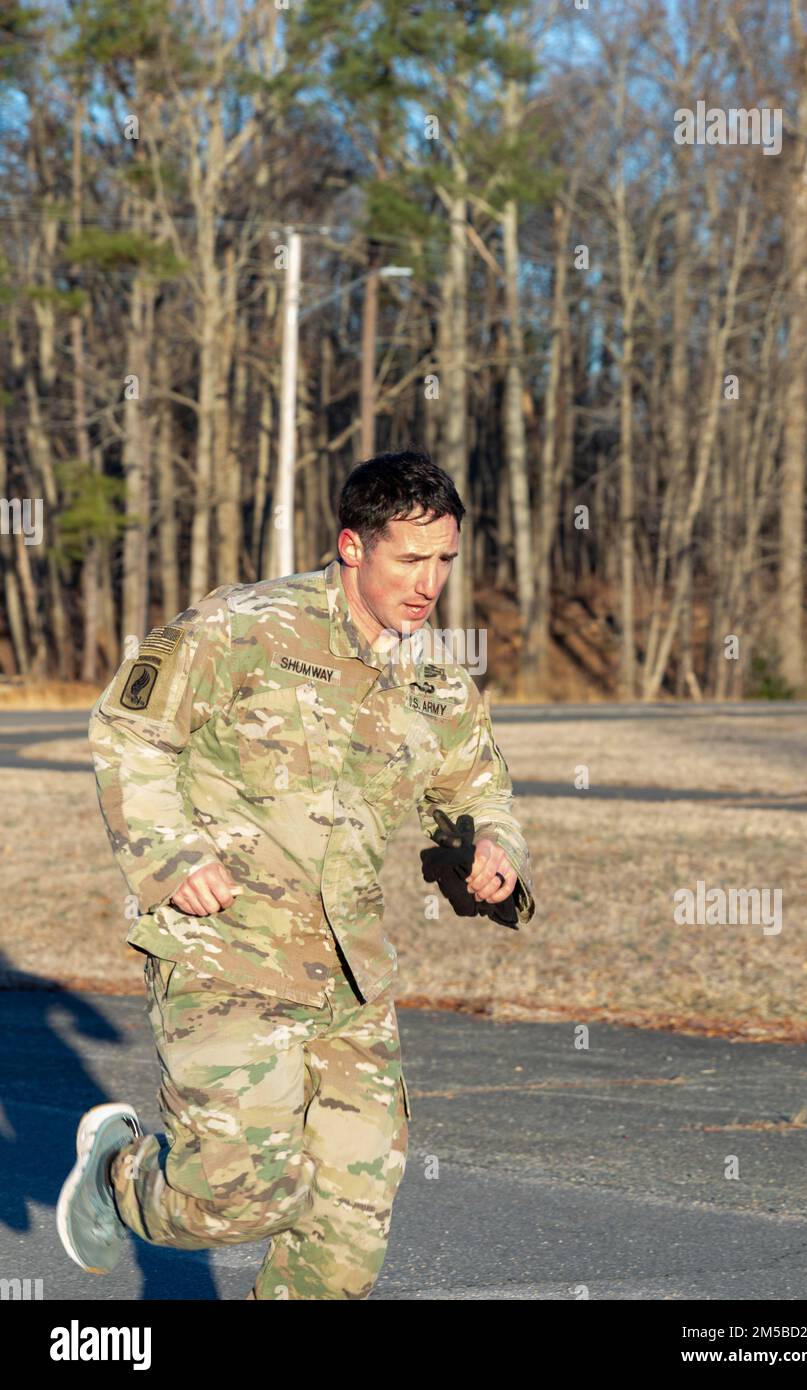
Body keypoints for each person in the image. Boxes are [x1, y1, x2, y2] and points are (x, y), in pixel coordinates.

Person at [56, 448, 535, 1299]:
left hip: (352, 985)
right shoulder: (242, 627)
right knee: (239, 1199)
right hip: (226, 956)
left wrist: (491, 855)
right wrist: (173, 856)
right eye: (410, 559)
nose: (429, 584)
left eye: (445, 562)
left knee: (347, 1239)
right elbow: (129, 732)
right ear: (353, 546)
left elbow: (475, 791)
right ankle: (117, 1176)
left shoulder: (437, 680)